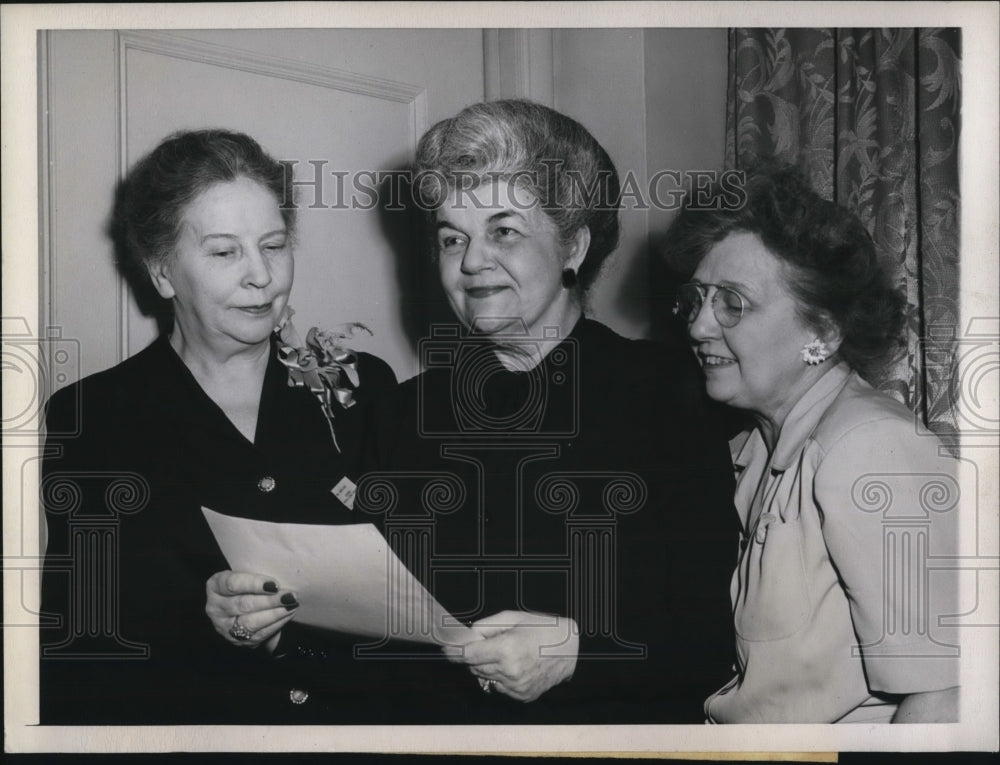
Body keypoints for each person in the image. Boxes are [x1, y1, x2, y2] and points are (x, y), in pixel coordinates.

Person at [206, 99, 738, 723]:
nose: (471, 261)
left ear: (574, 246)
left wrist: (580, 653)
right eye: (452, 237)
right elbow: (360, 638)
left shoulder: (672, 396)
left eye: (504, 231)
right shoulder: (402, 413)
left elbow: (713, 645)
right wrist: (268, 626)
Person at [39, 129, 395, 724]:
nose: (262, 276)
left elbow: (414, 600)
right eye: (225, 252)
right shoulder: (94, 416)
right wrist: (202, 626)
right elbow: (80, 644)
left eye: (274, 245)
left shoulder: (363, 387)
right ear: (160, 272)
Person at [664, 163, 961, 723]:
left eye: (732, 302)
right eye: (697, 300)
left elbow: (946, 693)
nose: (699, 327)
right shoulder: (746, 453)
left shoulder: (871, 449)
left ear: (821, 332)